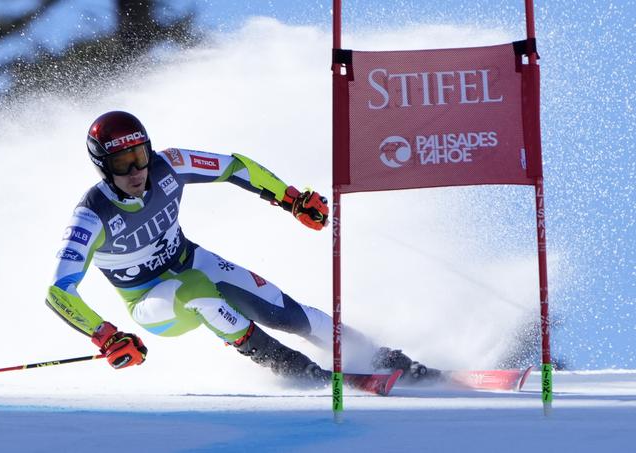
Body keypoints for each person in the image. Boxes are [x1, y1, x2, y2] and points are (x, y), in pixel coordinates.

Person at [45, 110, 428, 386]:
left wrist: (290, 198)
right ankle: (289, 366)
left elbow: (233, 166)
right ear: (102, 166)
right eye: (122, 164)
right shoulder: (90, 217)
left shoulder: (171, 165)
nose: (135, 172)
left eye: (140, 157)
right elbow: (58, 291)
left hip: (190, 260)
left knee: (288, 313)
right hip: (151, 304)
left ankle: (382, 357)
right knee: (196, 287)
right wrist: (105, 335)